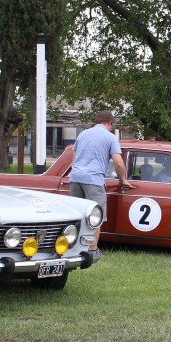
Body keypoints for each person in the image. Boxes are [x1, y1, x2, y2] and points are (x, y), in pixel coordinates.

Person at [70, 111, 133, 260]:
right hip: (94, 180)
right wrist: (123, 179)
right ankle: (93, 250)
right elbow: (118, 162)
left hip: (76, 178)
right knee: (95, 216)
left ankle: (75, 247)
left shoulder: (83, 134)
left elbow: (74, 157)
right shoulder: (110, 137)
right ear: (110, 123)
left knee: (77, 215)